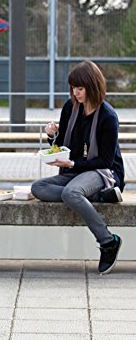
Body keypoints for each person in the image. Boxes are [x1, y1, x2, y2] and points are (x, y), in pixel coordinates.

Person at [31, 60, 124, 275]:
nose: (76, 93)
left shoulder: (108, 117)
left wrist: (73, 163)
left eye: (80, 88)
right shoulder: (70, 108)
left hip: (103, 172)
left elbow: (106, 161)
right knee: (38, 188)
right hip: (76, 172)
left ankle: (108, 241)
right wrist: (52, 135)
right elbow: (62, 145)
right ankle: (98, 196)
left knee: (71, 193)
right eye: (73, 88)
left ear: (92, 87)